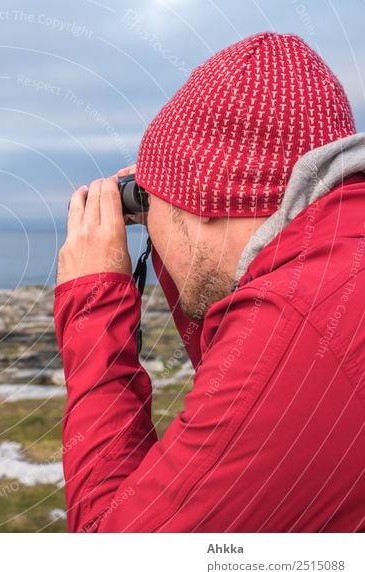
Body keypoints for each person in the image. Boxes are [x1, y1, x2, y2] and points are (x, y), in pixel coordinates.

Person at [54, 32, 365, 532]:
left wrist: (93, 305)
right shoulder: (334, 270)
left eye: (152, 206)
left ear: (204, 204)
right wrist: (169, 192)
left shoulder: (302, 323)